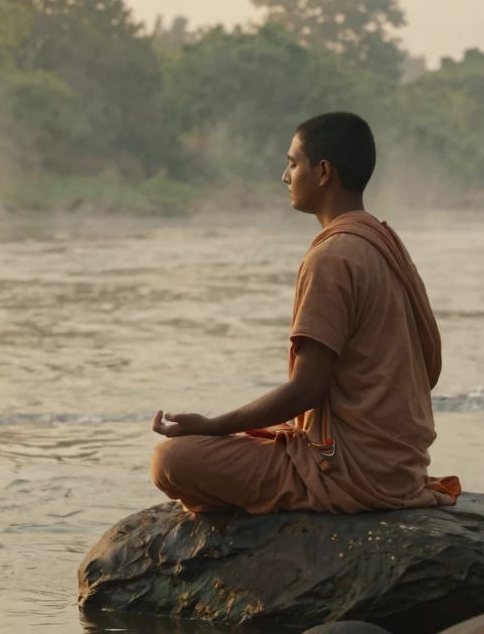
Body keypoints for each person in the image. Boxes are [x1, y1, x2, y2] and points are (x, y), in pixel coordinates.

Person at [149, 112, 460, 514]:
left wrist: (210, 425)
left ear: (324, 172)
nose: (285, 175)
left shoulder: (331, 257)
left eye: (293, 163)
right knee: (262, 436)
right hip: (400, 465)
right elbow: (429, 367)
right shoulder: (386, 242)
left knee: (171, 460)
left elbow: (305, 391)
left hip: (350, 472)